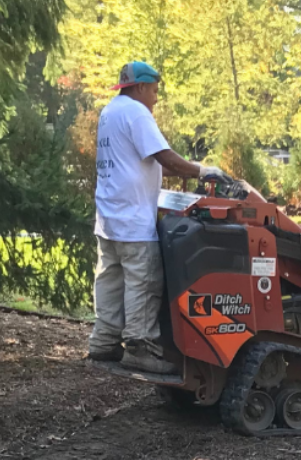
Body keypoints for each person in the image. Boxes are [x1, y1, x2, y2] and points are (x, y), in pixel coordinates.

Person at [89, 61, 230, 374]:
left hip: (109, 217)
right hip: (134, 219)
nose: (155, 98)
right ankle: (140, 347)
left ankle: (104, 341)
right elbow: (163, 156)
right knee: (144, 280)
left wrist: (184, 168)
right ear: (139, 87)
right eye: (153, 91)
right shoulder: (138, 113)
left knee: (111, 280)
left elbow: (142, 161)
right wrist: (202, 170)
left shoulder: (110, 111)